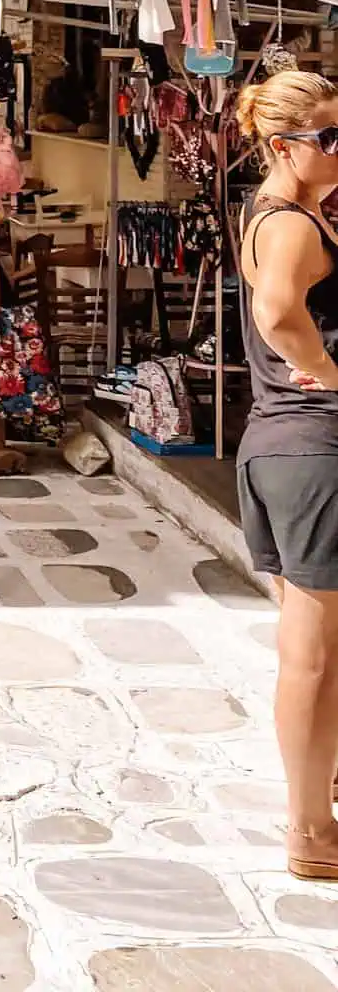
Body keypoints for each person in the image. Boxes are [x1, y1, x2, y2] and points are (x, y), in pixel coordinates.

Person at [236, 69, 338, 881]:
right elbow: (276, 313)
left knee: (319, 648)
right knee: (311, 654)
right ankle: (311, 833)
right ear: (282, 147)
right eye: (329, 138)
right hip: (313, 448)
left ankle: (318, 796)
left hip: (277, 446)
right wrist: (331, 373)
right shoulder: (292, 227)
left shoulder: (273, 213)